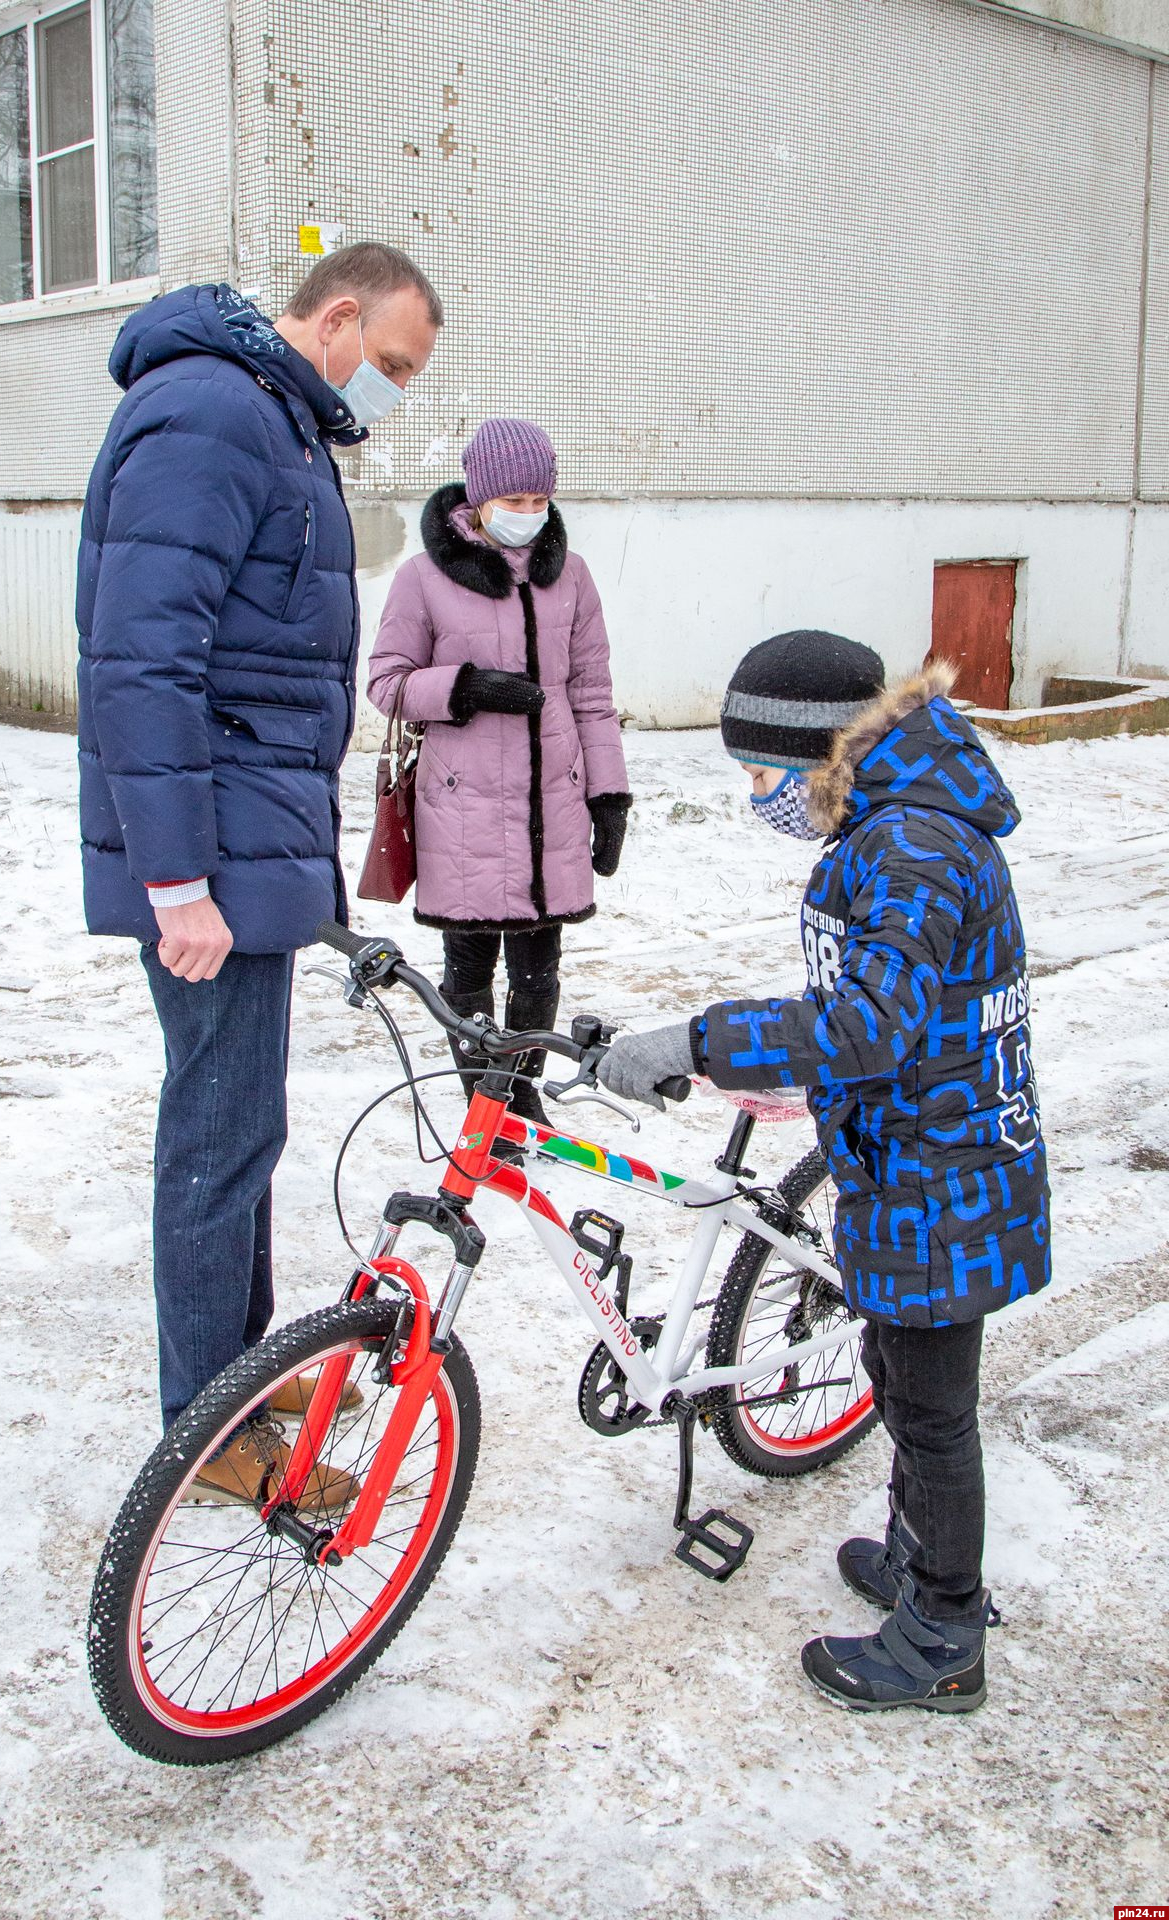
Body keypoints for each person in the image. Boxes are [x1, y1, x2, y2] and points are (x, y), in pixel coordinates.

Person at [598, 630, 1051, 1712]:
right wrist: (796, 1070)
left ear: (819, 755)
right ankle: (915, 1559)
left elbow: (865, 1023)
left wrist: (700, 1045)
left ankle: (942, 1630)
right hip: (915, 1154)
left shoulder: (912, 849)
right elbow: (894, 1009)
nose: (755, 794)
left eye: (760, 772)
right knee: (898, 1381)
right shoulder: (886, 826)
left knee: (934, 1413)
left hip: (946, 1179)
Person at [76, 244, 441, 1502]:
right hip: (212, 863)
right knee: (216, 1135)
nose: (389, 391)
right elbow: (141, 656)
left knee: (244, 1125)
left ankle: (238, 1369)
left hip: (246, 843)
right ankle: (210, 1431)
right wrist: (175, 878)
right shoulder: (215, 414)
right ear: (336, 314)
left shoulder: (274, 423)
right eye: (389, 363)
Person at [366, 419, 630, 1122]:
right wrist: (463, 688)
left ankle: (522, 1101)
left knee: (539, 973)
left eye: (538, 497)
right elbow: (387, 684)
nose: (528, 511)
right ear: (478, 499)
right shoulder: (422, 578)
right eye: (512, 498)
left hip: (553, 806)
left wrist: (610, 795)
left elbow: (593, 695)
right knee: (470, 974)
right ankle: (485, 1109)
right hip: (464, 811)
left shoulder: (570, 576)